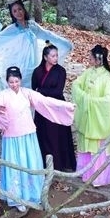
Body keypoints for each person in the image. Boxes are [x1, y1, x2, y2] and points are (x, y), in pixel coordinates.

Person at [0, 66, 75, 212]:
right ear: (7, 82)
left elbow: (45, 101)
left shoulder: (27, 93)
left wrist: (66, 105)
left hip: (28, 134)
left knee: (30, 163)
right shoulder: (3, 95)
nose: (14, 84)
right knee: (15, 165)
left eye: (16, 81)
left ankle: (34, 194)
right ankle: (17, 198)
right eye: (11, 82)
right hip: (12, 137)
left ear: (20, 80)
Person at [0, 0, 72, 90]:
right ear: (12, 14)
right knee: (19, 86)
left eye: (20, 9)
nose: (18, 12)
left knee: (32, 87)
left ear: (24, 10)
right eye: (15, 11)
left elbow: (47, 35)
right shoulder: (12, 29)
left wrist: (64, 43)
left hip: (33, 63)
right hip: (19, 63)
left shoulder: (32, 26)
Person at [71, 44, 110, 186]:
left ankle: (99, 177)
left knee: (98, 148)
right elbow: (75, 85)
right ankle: (85, 173)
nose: (89, 60)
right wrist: (84, 96)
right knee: (86, 146)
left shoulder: (107, 77)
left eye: (91, 57)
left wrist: (89, 100)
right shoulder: (88, 72)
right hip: (87, 118)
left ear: (99, 59)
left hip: (98, 120)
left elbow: (108, 100)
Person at [30, 43, 77, 172]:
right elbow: (33, 88)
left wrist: (41, 92)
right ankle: (43, 163)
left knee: (57, 135)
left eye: (56, 55)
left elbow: (58, 91)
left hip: (56, 106)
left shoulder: (61, 71)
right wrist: (40, 93)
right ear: (45, 57)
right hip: (42, 108)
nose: (56, 58)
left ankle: (60, 164)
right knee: (43, 134)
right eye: (53, 56)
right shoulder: (37, 71)